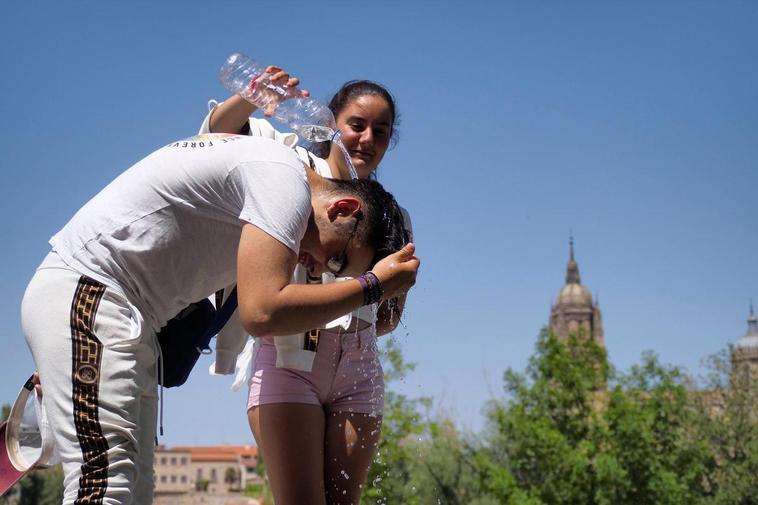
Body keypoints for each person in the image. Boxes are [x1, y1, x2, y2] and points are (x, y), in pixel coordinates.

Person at [21, 133, 418, 505]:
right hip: (94, 296)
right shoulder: (282, 180)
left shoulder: (269, 173)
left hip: (119, 314)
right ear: (343, 208)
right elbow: (263, 311)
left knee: (133, 490)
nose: (321, 269)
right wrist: (372, 286)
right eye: (337, 260)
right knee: (105, 484)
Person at [202, 67, 411, 503]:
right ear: (332, 123)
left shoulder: (391, 213)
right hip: (288, 360)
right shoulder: (288, 160)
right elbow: (219, 134)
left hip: (360, 367)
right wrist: (257, 94)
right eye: (356, 125)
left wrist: (384, 298)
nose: (367, 139)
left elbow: (389, 316)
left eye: (381, 131)